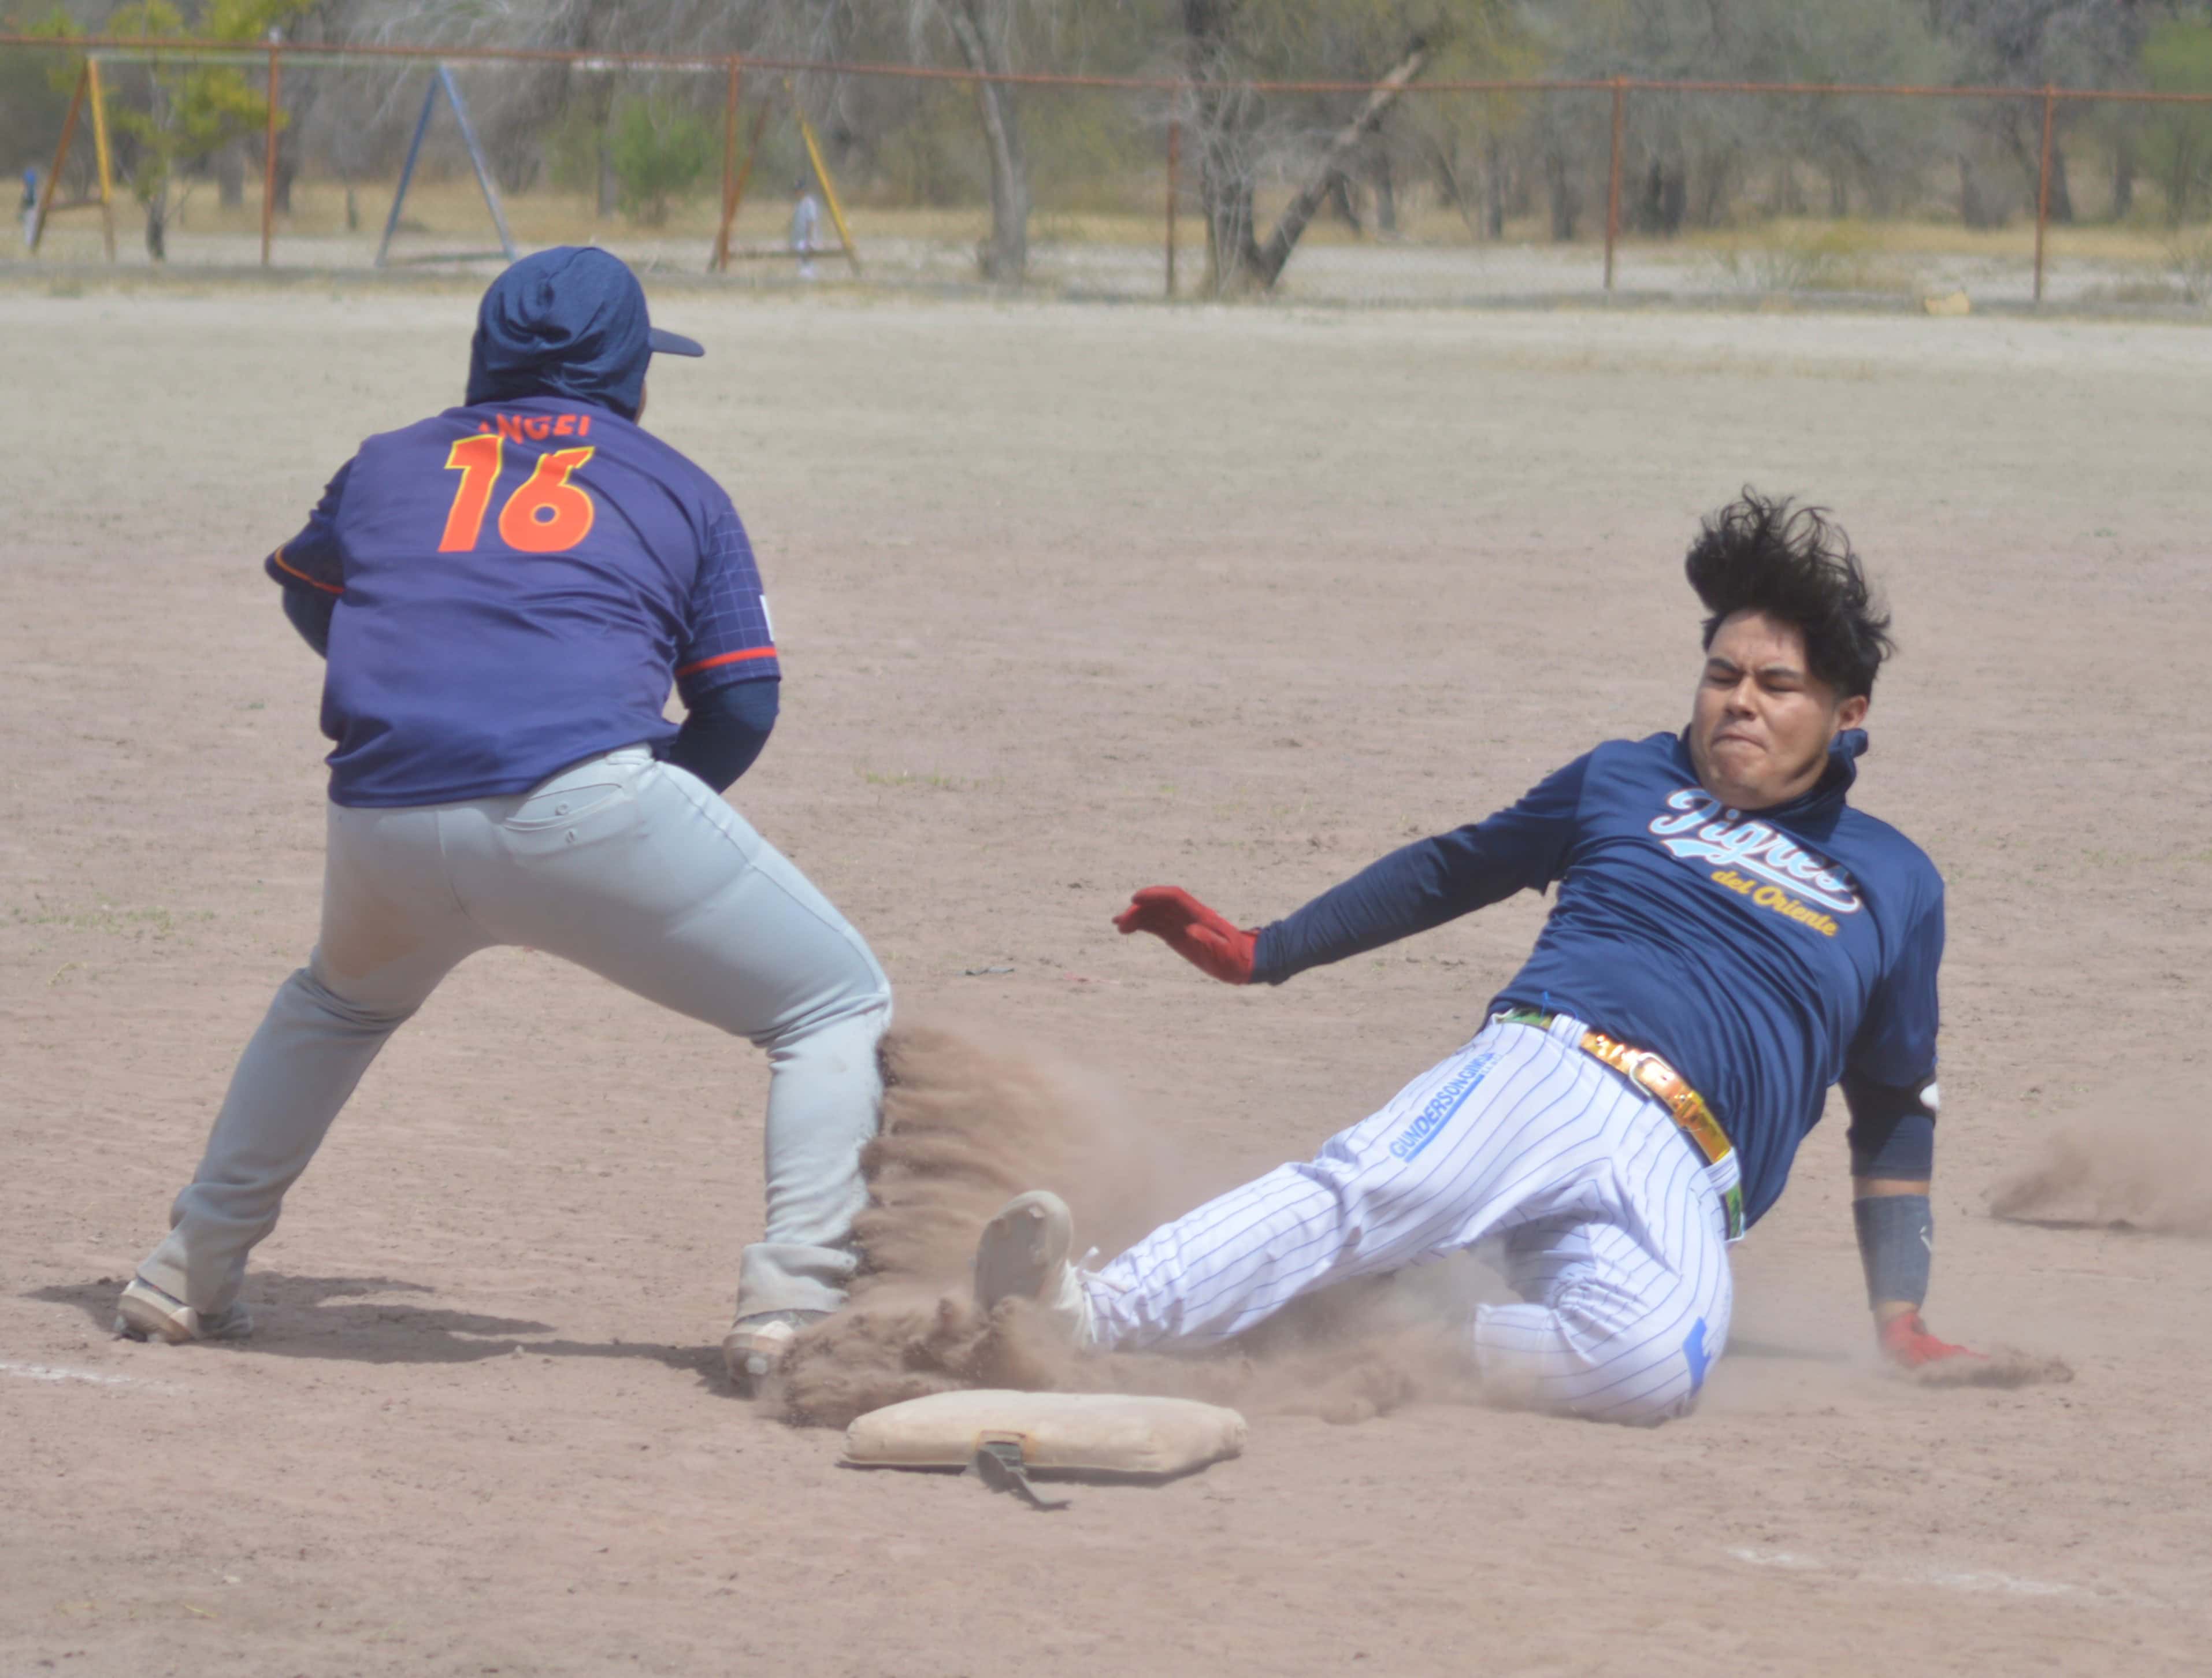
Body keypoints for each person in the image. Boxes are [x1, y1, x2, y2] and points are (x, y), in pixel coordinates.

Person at [974, 491, 1983, 1424]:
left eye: (1775, 684)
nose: (1738, 702)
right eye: (1720, 676)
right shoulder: (1625, 778)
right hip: (1552, 1065)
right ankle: (1088, 1312)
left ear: (1846, 712)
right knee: (1376, 1187)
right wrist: (1261, 950)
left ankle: (1370, 1323)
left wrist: (1899, 1313)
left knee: (1652, 1365)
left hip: (1689, 1169)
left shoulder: (1893, 881)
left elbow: (1893, 1106)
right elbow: (1453, 866)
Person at [113, 246, 892, 1396]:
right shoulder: (678, 485)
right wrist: (620, 820)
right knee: (836, 1004)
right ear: (630, 371)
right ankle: (794, 1306)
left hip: (383, 811)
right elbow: (743, 703)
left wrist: (427, 687)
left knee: (335, 1002)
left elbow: (305, 588)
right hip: (589, 805)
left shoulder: (386, 464)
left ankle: (186, 1270)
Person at [788, 182, 822, 280]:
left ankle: (808, 274)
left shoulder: (809, 203)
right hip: (799, 238)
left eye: (798, 191)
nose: (796, 193)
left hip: (808, 238)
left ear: (803, 191)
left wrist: (810, 240)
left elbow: (811, 221)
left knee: (804, 251)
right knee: (799, 252)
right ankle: (806, 273)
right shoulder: (799, 204)